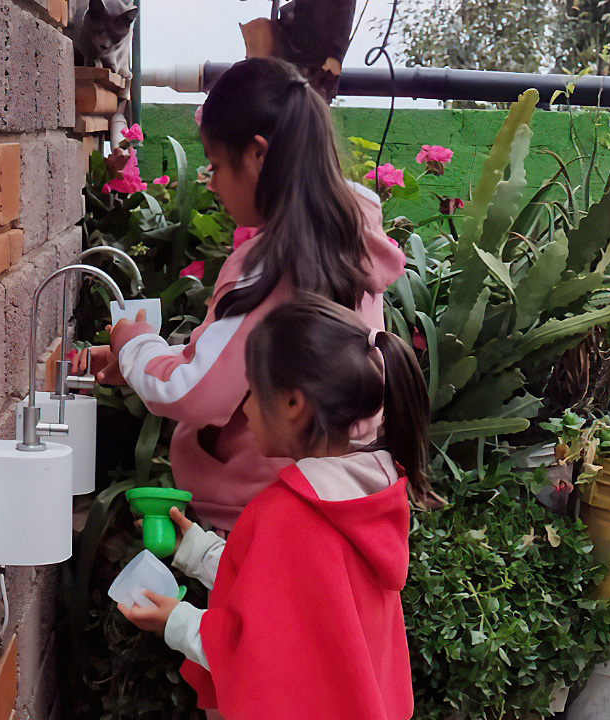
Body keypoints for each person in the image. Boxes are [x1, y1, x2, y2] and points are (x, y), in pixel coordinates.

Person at [82, 56, 406, 533]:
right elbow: (242, 367)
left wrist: (134, 343)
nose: (210, 183)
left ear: (258, 155)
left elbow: (192, 390)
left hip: (259, 514)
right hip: (328, 497)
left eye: (215, 165)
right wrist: (140, 364)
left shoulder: (270, 266)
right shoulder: (344, 237)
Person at [118, 295, 434, 720]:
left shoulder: (286, 512)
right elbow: (284, 592)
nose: (244, 408)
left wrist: (175, 620)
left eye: (251, 390)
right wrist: (196, 549)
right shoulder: (367, 495)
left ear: (292, 403)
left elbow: (258, 653)